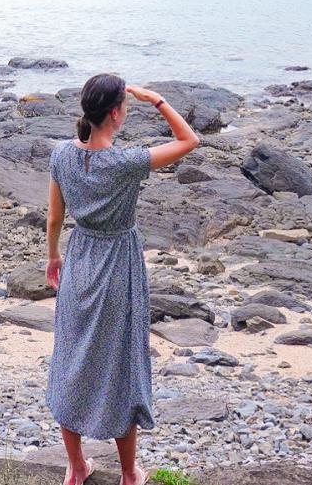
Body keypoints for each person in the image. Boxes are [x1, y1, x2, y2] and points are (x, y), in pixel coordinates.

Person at [43, 73, 202, 485]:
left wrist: (52, 257)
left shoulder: (61, 154)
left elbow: (55, 217)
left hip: (80, 260)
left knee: (72, 362)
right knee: (122, 366)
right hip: (118, 266)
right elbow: (189, 141)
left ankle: (77, 467)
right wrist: (159, 101)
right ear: (116, 113)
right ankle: (130, 473)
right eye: (126, 106)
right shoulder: (126, 163)